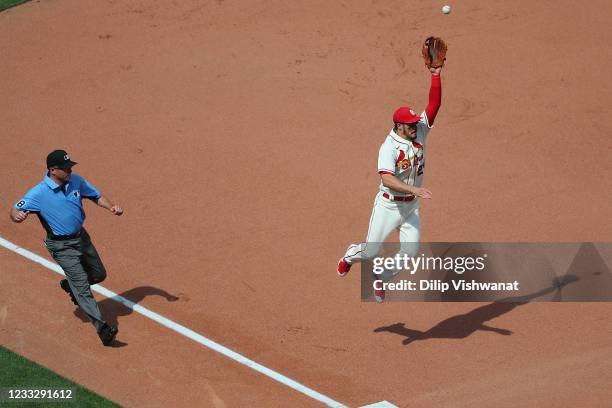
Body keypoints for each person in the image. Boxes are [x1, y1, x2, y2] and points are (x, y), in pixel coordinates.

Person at [337, 64, 443, 302]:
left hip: (410, 207)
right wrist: (414, 189)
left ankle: (381, 277)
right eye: (410, 124)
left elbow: (434, 106)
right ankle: (349, 255)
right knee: (370, 251)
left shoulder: (420, 132)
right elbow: (387, 178)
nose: (416, 126)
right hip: (388, 206)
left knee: (410, 253)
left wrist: (435, 76)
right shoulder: (389, 147)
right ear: (399, 126)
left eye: (416, 122)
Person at [10, 149, 124, 345]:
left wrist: (110, 206)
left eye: (70, 166)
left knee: (98, 274)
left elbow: (95, 195)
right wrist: (17, 215)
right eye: (66, 168)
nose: (70, 169)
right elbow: (16, 208)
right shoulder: (38, 193)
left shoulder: (76, 180)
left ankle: (70, 286)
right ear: (53, 170)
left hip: (82, 238)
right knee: (82, 286)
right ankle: (103, 329)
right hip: (61, 246)